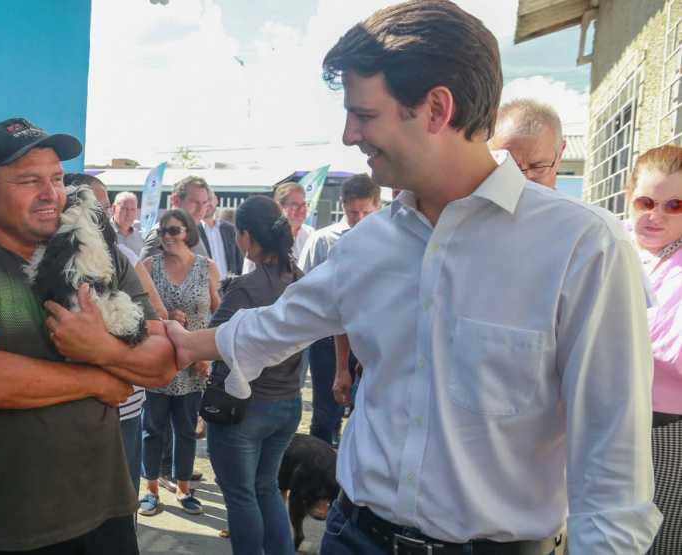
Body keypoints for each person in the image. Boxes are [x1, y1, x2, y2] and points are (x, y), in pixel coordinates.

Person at [163, 2, 662, 553]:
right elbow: (276, 325)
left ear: (437, 108)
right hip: (354, 536)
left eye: (365, 114)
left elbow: (612, 484)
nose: (350, 134)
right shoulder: (367, 245)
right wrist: (185, 345)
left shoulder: (583, 247)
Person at [0, 118, 176, 554]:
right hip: (13, 523)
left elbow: (164, 361)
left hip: (107, 504)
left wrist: (100, 348)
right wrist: (98, 380)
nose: (49, 193)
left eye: (56, 178)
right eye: (28, 180)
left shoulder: (99, 254)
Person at [206, 195, 304, 555]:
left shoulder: (248, 287)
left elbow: (212, 342)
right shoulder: (299, 278)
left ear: (246, 236)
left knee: (241, 495)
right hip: (288, 404)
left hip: (246, 407)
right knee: (265, 488)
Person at [67, 171, 170, 499]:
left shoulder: (121, 258)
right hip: (63, 409)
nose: (101, 215)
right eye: (92, 206)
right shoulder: (49, 260)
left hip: (122, 404)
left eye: (104, 206)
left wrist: (104, 343)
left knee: (120, 505)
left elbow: (159, 320)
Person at [139, 208, 220, 517]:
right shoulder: (150, 265)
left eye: (174, 230)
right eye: (162, 232)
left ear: (188, 231)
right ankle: (150, 489)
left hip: (193, 364)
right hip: (159, 361)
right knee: (152, 429)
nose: (167, 237)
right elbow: (139, 312)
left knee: (186, 430)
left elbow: (220, 312)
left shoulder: (206, 267)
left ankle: (183, 488)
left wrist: (207, 354)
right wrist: (166, 317)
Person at [623, 145, 682, 555]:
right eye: (646, 201)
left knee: (658, 541)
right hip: (604, 420)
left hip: (665, 429)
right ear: (630, 196)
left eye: (675, 205)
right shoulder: (611, 243)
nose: (656, 215)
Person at [299, 173, 380, 448]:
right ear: (342, 206)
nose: (357, 218)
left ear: (377, 206)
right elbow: (305, 287)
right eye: (351, 211)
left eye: (364, 212)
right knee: (325, 409)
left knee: (365, 410)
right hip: (327, 338)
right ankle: (320, 468)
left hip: (371, 338)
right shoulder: (323, 240)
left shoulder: (388, 240)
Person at [488, 98, 566, 189]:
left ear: (559, 155)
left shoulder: (569, 204)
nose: (524, 181)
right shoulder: (470, 202)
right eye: (510, 167)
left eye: (537, 167)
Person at [242, 182, 315, 274]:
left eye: (304, 204)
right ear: (279, 206)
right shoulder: (262, 237)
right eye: (295, 205)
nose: (302, 210)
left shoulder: (312, 235)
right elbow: (250, 276)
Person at [139, 176, 211, 260]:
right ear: (176, 200)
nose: (200, 209)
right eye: (194, 202)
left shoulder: (195, 232)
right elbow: (143, 271)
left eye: (204, 203)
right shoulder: (160, 235)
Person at [201, 190, 244, 276]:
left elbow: (239, 262)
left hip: (229, 287)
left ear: (216, 200)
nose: (207, 204)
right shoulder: (193, 231)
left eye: (209, 199)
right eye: (203, 201)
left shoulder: (231, 230)